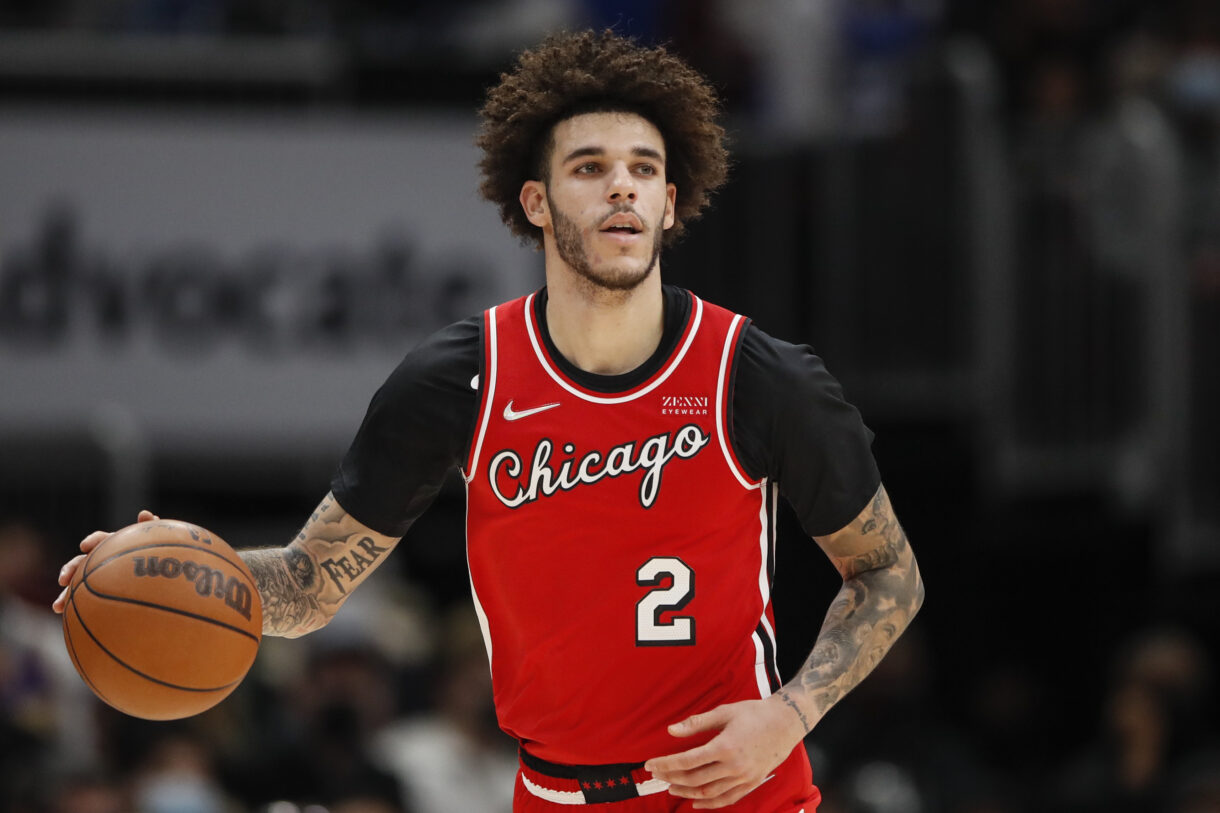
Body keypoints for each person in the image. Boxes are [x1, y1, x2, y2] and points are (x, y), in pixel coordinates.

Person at [53, 29, 924, 812]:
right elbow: (310, 584)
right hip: (551, 791)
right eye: (589, 166)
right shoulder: (459, 379)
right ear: (537, 203)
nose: (621, 184)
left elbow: (889, 575)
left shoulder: (757, 375)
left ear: (669, 203)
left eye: (644, 168)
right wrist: (176, 562)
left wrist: (790, 713)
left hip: (740, 791)